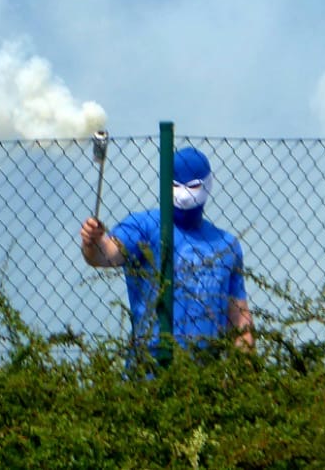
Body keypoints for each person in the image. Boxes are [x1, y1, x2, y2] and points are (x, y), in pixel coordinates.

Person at [80, 144, 253, 357]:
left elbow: (239, 319)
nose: (184, 195)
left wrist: (245, 367)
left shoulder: (226, 245)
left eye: (193, 186)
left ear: (207, 185)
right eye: (176, 185)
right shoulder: (144, 226)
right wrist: (93, 242)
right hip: (150, 365)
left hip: (205, 369)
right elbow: (106, 255)